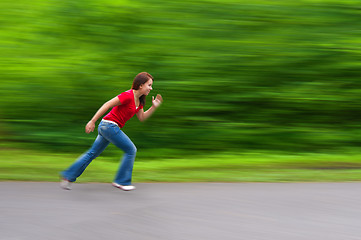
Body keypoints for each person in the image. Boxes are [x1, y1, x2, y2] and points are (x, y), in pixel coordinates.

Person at [60, 72, 163, 191]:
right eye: (149, 85)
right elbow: (107, 104)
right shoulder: (127, 95)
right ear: (140, 85)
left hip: (108, 128)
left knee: (92, 153)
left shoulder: (139, 101)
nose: (151, 88)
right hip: (109, 126)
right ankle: (122, 181)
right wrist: (92, 121)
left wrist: (153, 107)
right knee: (131, 149)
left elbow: (142, 118)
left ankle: (68, 176)